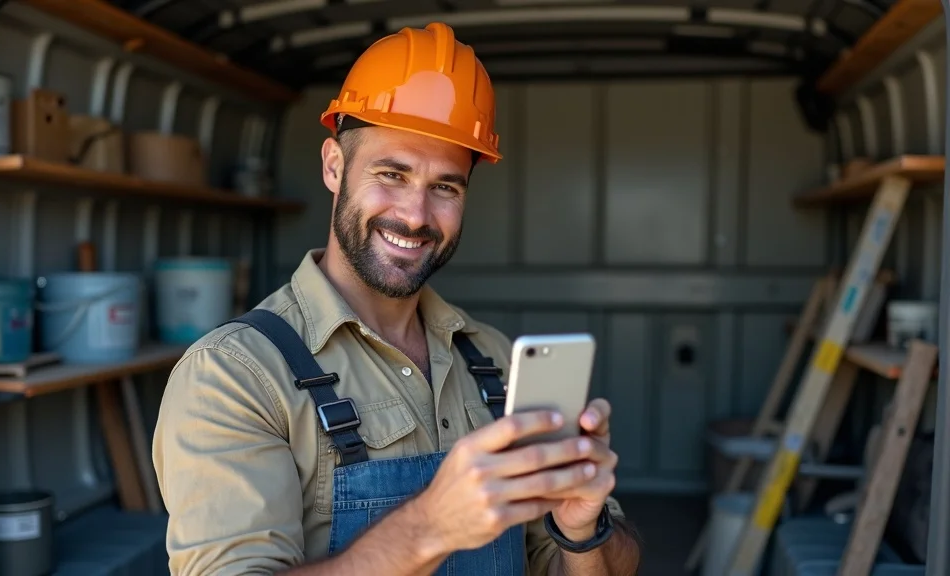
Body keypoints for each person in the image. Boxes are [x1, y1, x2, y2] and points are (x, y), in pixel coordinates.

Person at [152, 20, 642, 576]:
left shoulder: (496, 361)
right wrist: (431, 527)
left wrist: (580, 531)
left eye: (445, 187)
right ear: (334, 166)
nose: (415, 215)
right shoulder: (234, 375)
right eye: (392, 173)